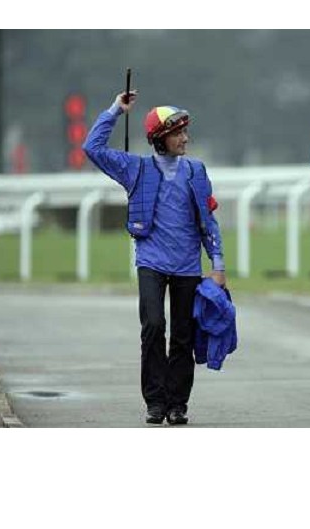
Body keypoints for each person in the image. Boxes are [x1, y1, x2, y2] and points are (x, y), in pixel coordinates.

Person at [83, 90, 226, 426]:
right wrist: (115, 110)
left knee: (182, 335)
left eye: (185, 132)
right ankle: (154, 402)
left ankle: (178, 404)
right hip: (150, 262)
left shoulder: (196, 170)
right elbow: (92, 148)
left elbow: (209, 221)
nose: (185, 139)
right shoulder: (134, 169)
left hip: (188, 266)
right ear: (160, 138)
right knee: (153, 327)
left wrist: (218, 265)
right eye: (178, 133)